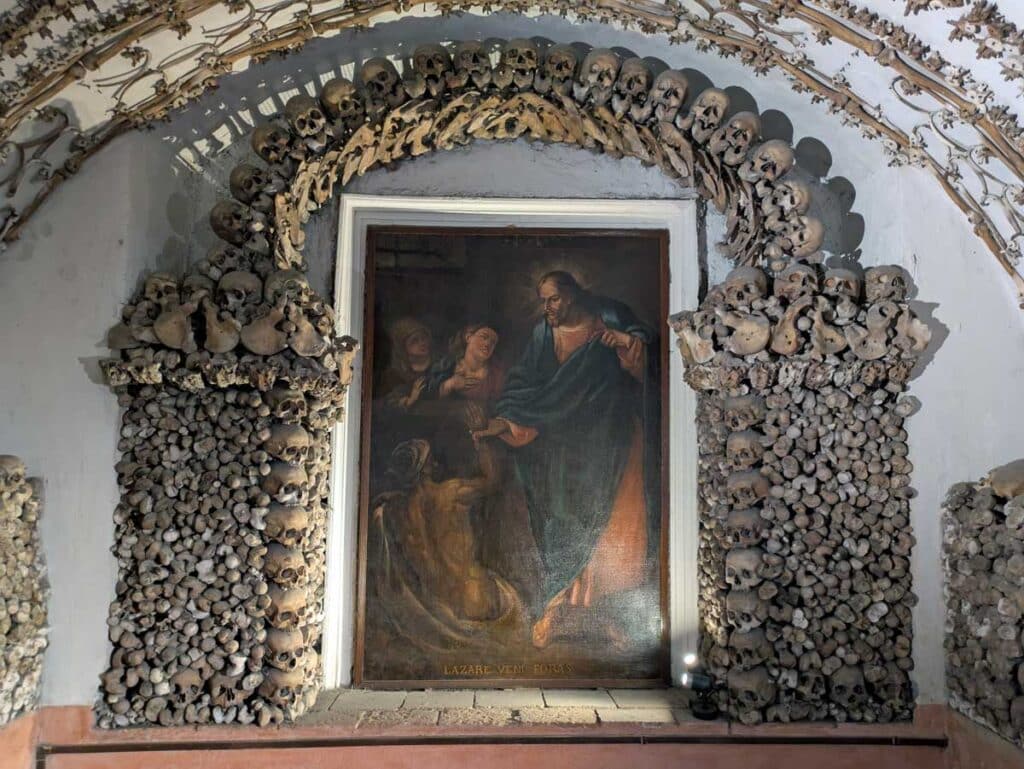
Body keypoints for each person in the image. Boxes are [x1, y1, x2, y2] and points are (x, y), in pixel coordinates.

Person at [472, 270, 660, 650]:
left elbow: (646, 355)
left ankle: (609, 616)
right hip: (558, 447)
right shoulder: (544, 334)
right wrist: (505, 419)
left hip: (612, 442)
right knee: (562, 519)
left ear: (572, 295)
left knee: (613, 527)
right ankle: (560, 609)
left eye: (553, 299)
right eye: (544, 300)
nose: (547, 307)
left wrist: (626, 344)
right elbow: (525, 383)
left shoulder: (608, 315)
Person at [426, 324, 505, 403]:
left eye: (493, 342)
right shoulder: (445, 366)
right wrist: (449, 384)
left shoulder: (496, 374)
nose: (487, 344)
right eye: (484, 337)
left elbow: (499, 405)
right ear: (468, 337)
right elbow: (427, 397)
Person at [379, 317, 433, 411]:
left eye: (423, 338)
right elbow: (387, 403)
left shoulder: (441, 365)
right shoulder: (394, 375)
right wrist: (410, 400)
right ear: (402, 347)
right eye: (415, 341)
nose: (422, 343)